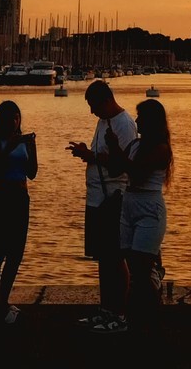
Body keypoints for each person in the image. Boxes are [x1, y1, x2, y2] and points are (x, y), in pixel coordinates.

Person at [67, 79, 137, 331]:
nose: (91, 111)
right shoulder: (103, 121)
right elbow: (101, 156)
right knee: (103, 258)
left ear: (107, 100)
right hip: (97, 197)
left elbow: (123, 163)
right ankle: (106, 309)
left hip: (113, 197)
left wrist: (92, 156)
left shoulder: (125, 124)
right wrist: (87, 152)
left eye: (93, 105)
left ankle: (119, 314)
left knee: (115, 258)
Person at [102, 97, 174, 331]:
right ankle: (136, 316)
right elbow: (116, 169)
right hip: (130, 205)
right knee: (133, 268)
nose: (136, 120)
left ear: (151, 121)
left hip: (149, 209)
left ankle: (148, 316)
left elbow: (137, 172)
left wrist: (115, 149)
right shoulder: (134, 145)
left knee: (141, 273)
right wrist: (113, 148)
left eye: (141, 117)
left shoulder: (161, 149)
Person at [0, 100, 37, 324]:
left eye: (17, 117)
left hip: (20, 198)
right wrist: (9, 148)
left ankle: (2, 302)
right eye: (10, 118)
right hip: (0, 199)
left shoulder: (23, 141)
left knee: (16, 253)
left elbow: (32, 173)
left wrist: (31, 149)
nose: (15, 122)